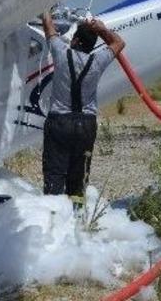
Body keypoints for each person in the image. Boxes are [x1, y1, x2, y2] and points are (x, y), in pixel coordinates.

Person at [40, 13, 125, 204]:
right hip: (86, 125)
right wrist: (101, 28)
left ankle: (53, 217)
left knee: (54, 176)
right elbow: (119, 43)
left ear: (75, 40)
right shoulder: (97, 61)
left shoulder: (61, 52)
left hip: (59, 123)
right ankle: (76, 221)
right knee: (78, 180)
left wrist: (46, 10)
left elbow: (48, 25)